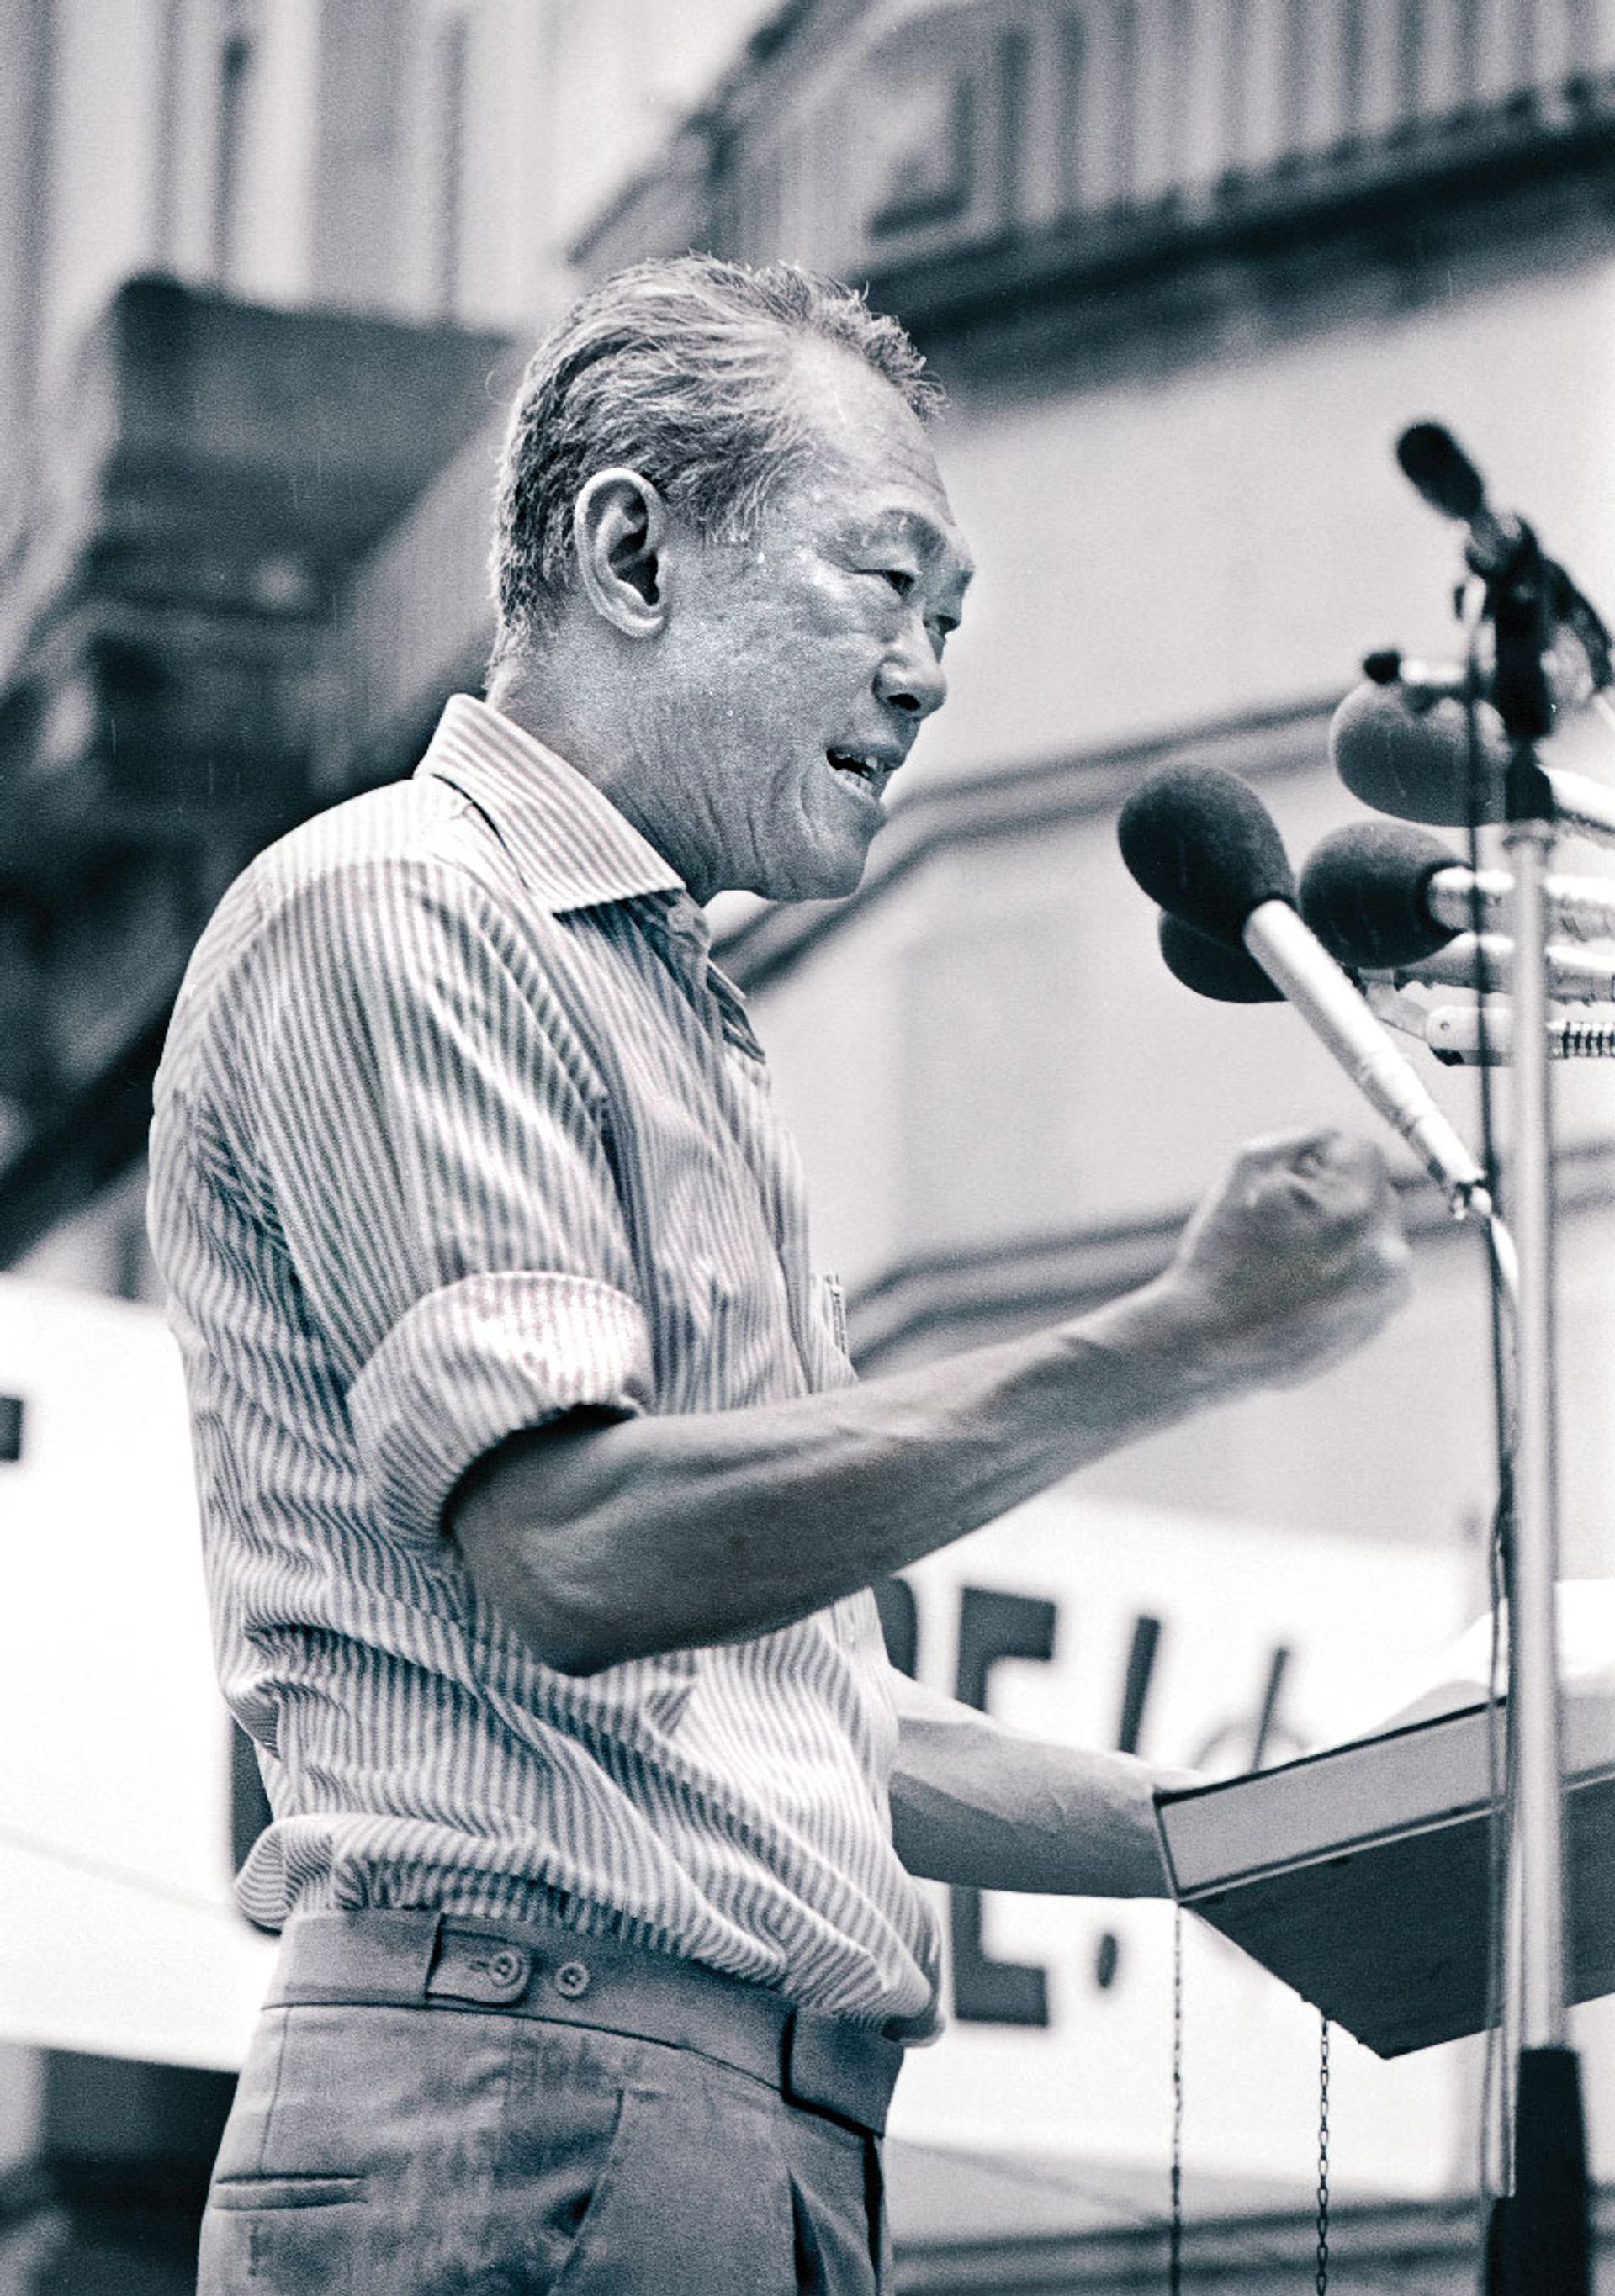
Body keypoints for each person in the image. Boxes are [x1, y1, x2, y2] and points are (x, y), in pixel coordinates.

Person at [149, 256, 1411, 2294]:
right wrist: (1173, 1341)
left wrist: (1302, 1838)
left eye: (956, 622)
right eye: (888, 584)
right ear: (631, 545)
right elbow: (580, 1549)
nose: (929, 674)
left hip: (698, 2128)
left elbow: (794, 1716)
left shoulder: (672, 1009)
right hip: (533, 2111)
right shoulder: (401, 906)